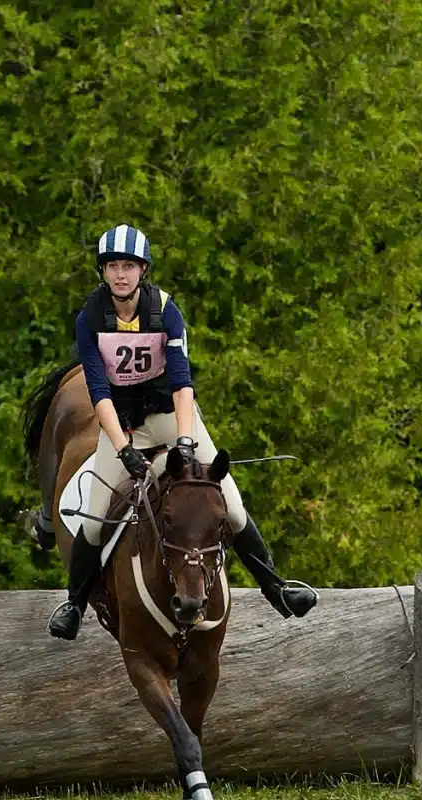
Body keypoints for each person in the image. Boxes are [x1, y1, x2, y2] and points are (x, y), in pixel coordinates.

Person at [44, 224, 317, 641]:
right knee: (96, 519)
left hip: (172, 414)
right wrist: (122, 449)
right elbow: (98, 391)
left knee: (233, 505)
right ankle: (74, 605)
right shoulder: (90, 318)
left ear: (143, 270)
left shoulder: (165, 310)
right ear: (104, 271)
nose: (120, 274)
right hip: (122, 422)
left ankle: (275, 588)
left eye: (129, 266)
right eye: (113, 266)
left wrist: (186, 441)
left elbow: (182, 382)